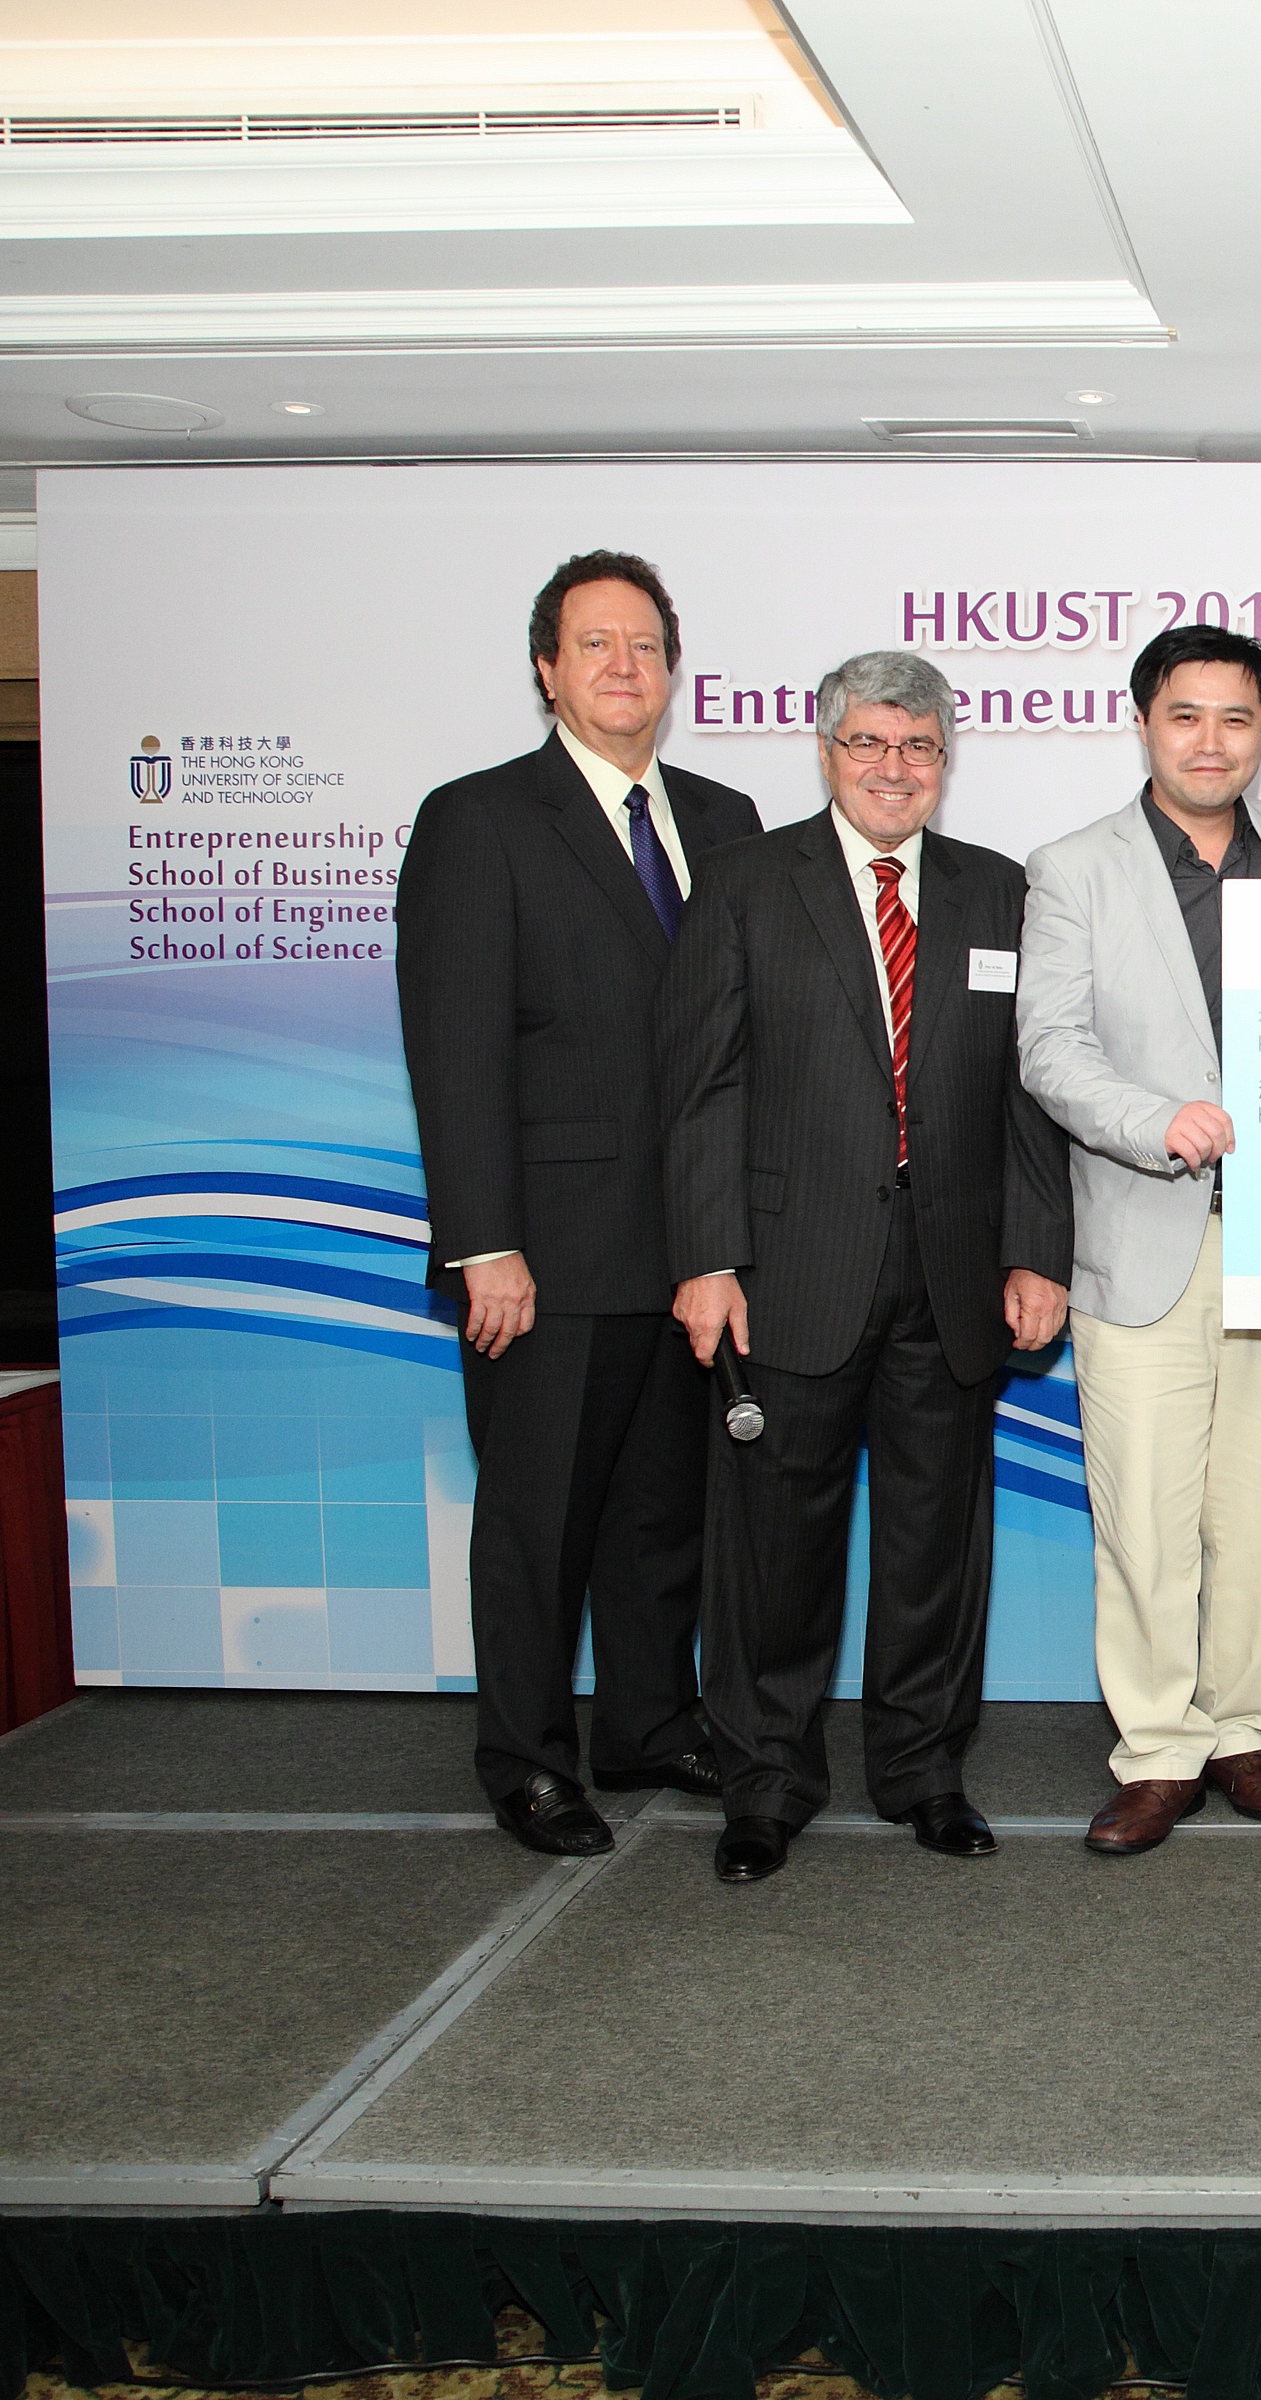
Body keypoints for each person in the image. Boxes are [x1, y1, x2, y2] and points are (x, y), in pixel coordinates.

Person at [657, 652, 1073, 1882]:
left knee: (936, 1546)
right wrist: (707, 1258)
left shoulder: (1003, 895)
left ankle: (924, 1770)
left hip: (952, 1277)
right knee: (771, 1547)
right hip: (786, 1274)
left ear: (947, 761)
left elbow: (1029, 1094)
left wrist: (1037, 1252)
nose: (895, 769)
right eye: (869, 745)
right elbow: (698, 1090)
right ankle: (767, 1783)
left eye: (919, 748)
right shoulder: (742, 884)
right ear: (827, 751)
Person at [395, 551, 760, 1857]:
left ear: (674, 669)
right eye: (594, 644)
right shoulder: (481, 819)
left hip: (697, 1256)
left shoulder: (724, 819)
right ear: (547, 668)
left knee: (667, 1519)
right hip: (544, 1254)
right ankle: (529, 1758)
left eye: (645, 646)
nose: (623, 667)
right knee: (539, 1526)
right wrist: (483, 1241)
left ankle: (652, 1727)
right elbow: (455, 1044)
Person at [1017, 622, 1261, 1857]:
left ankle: (1243, 1732)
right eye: (1187, 716)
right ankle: (1156, 1750)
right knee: (1145, 1517)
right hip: (1140, 1234)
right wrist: (1162, 1123)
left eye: (1238, 718)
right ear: (1145, 721)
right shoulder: (1074, 865)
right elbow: (1048, 1050)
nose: (1212, 741)